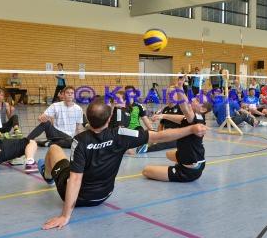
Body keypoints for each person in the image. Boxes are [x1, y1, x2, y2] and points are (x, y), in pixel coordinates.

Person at [39, 98, 207, 230]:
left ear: (88, 119)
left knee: (54, 149)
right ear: (110, 118)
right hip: (104, 195)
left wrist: (65, 215)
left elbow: (75, 180)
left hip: (80, 198)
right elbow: (158, 137)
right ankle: (49, 173)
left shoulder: (80, 140)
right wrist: (191, 129)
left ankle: (48, 176)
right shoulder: (121, 134)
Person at [142, 86, 213, 182]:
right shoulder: (193, 117)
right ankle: (182, 161)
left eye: (197, 100)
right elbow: (180, 118)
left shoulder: (195, 118)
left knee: (146, 171)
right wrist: (163, 115)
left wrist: (180, 88)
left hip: (189, 171)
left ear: (203, 109)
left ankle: (180, 168)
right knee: (168, 154)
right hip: (198, 160)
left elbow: (185, 108)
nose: (192, 99)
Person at [27, 86, 84, 150]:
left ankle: (46, 143)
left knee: (72, 143)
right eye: (67, 93)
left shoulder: (78, 109)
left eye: (72, 93)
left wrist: (81, 140)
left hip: (68, 137)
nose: (70, 94)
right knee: (46, 123)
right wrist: (41, 118)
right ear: (63, 94)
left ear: (74, 95)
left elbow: (79, 127)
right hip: (55, 133)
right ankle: (26, 141)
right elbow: (42, 116)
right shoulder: (55, 105)